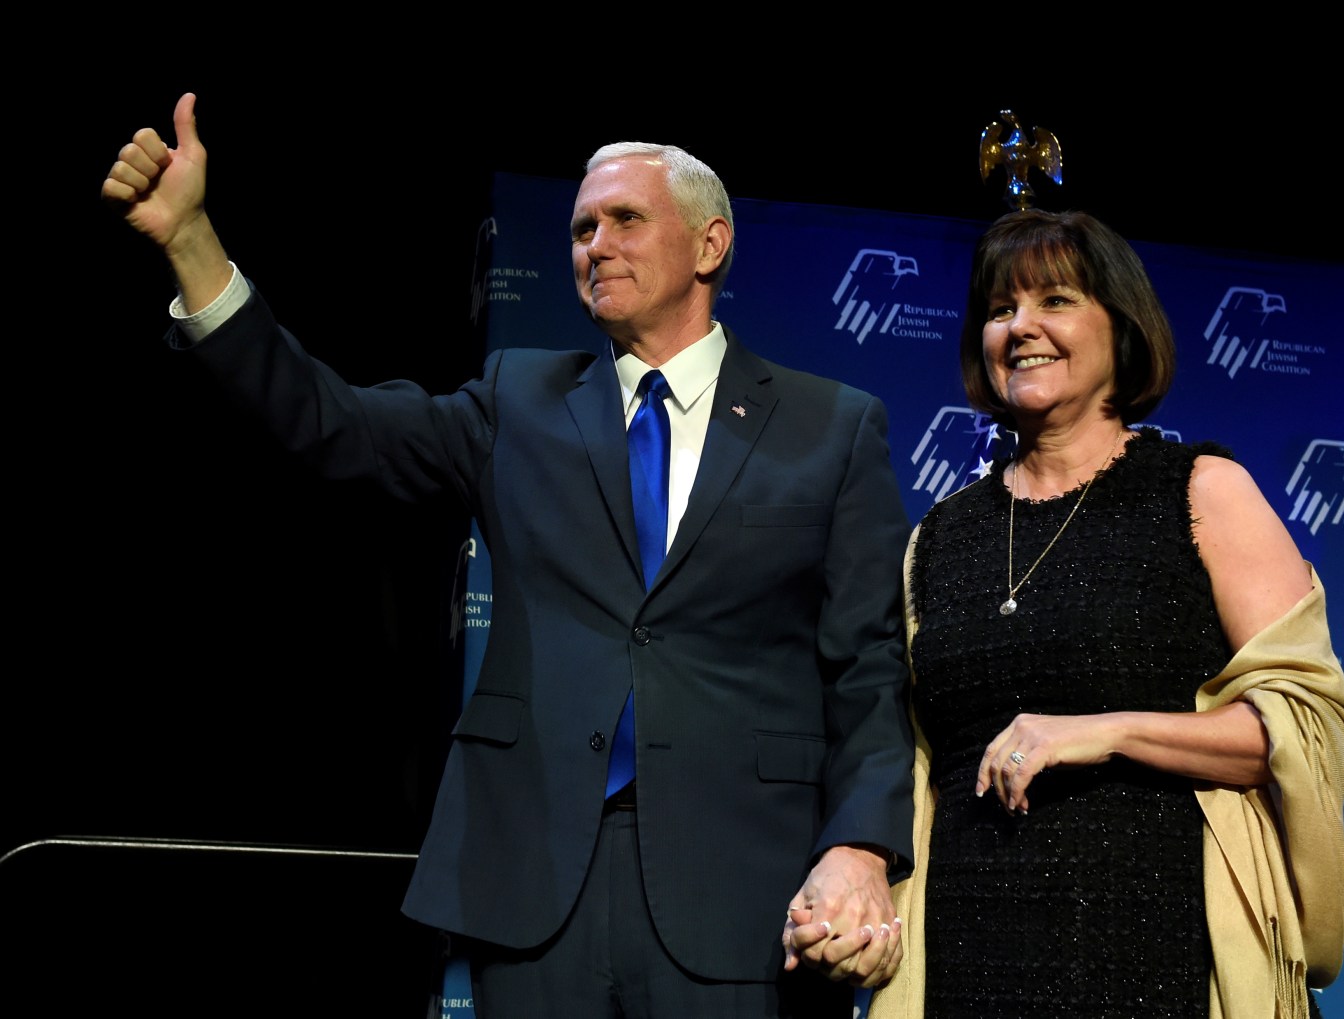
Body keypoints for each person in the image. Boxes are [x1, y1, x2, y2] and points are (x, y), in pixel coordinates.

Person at [102, 93, 916, 1017]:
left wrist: (860, 846)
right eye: (579, 227)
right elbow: (331, 423)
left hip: (745, 884)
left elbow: (866, 666)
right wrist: (191, 242)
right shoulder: (517, 398)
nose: (593, 244)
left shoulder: (831, 425)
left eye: (624, 220)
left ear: (709, 244)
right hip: (537, 884)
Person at [866, 209, 1344, 1019]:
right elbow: (914, 760)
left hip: (1162, 947)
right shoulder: (938, 537)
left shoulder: (1201, 491)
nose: (1021, 327)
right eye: (999, 310)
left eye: (1054, 300)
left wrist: (1107, 728)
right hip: (968, 950)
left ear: (1121, 327)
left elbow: (1300, 724)